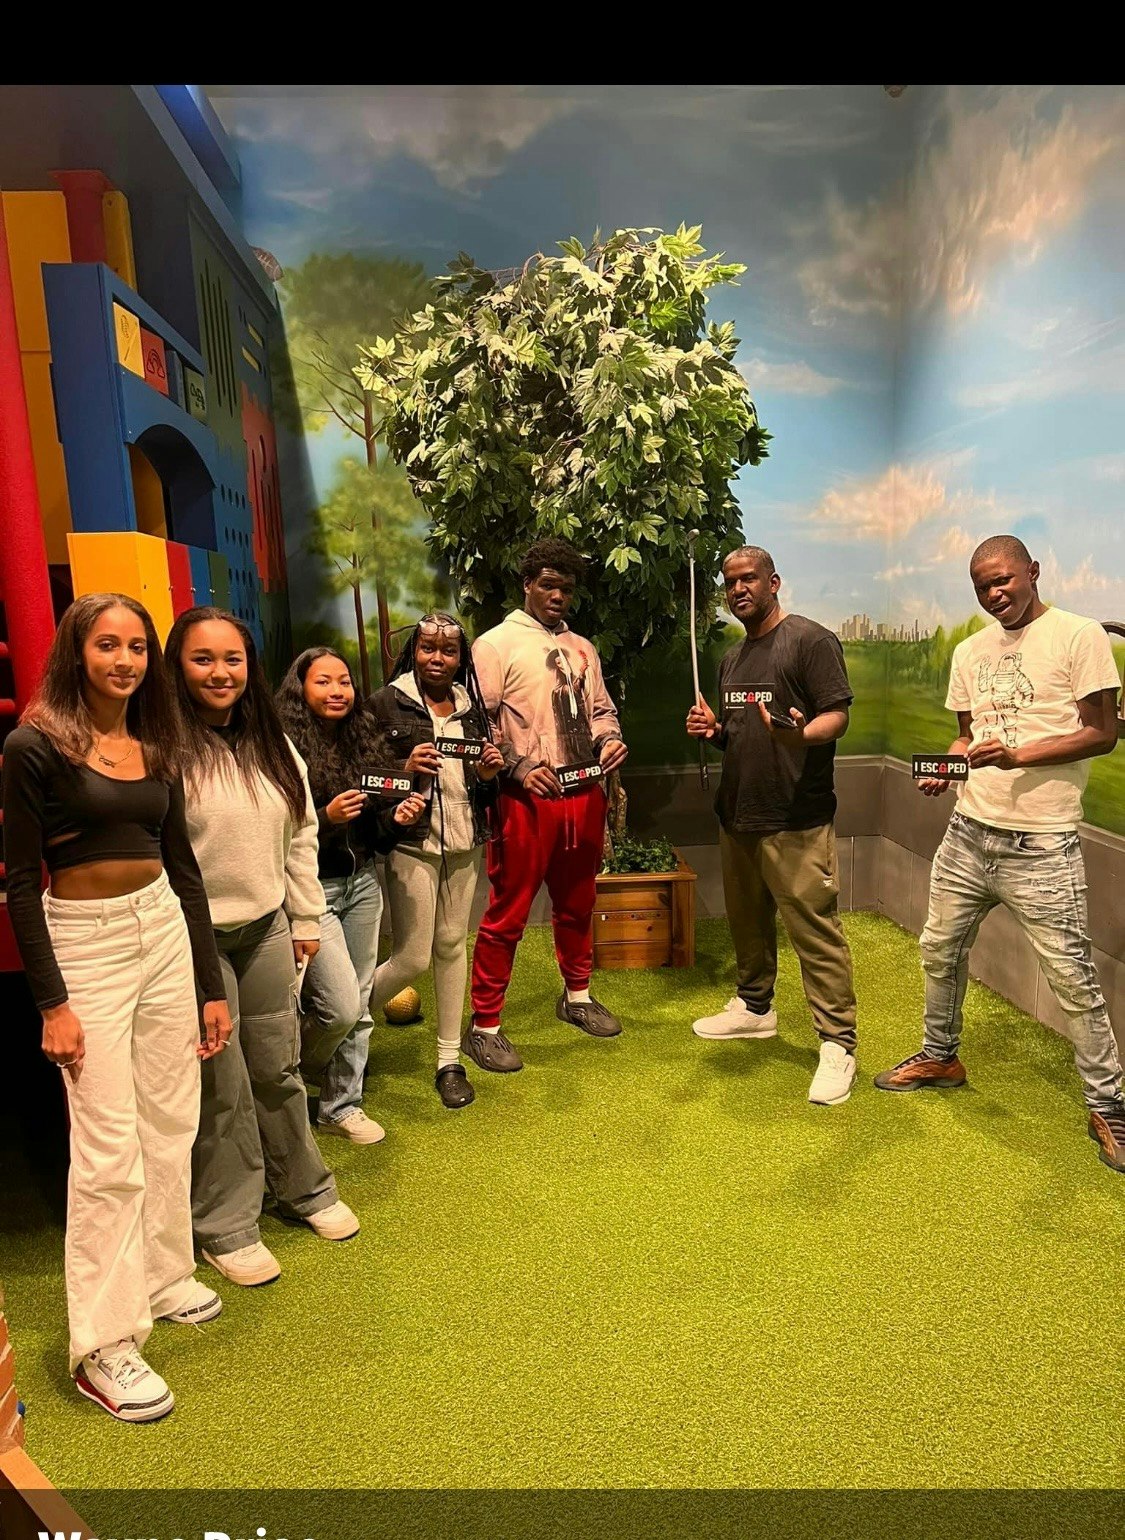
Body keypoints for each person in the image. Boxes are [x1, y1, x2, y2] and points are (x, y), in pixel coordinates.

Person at [1, 594, 232, 1423]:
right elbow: (22, 884)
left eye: (137, 647)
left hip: (163, 929)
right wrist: (52, 1002)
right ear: (77, 651)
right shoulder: (33, 746)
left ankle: (165, 1275)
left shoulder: (157, 743)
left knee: (172, 1120)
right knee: (107, 1149)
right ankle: (103, 1344)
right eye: (108, 645)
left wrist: (210, 984)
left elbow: (186, 871)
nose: (125, 661)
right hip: (85, 945)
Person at [875, 536, 1125, 1172]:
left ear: (1034, 572)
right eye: (983, 587)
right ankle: (940, 1055)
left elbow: (1101, 733)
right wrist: (950, 767)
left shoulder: (1078, 637)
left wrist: (1017, 757)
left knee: (1072, 977)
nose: (995, 595)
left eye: (1005, 581)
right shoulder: (969, 650)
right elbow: (967, 736)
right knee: (938, 948)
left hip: (1042, 841)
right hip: (968, 830)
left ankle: (1110, 1103)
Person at [166, 607, 359, 1289]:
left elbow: (301, 834)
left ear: (249, 667)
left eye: (233, 659)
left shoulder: (273, 743)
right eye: (202, 659)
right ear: (178, 666)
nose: (220, 673)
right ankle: (225, 1223)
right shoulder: (162, 745)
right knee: (222, 1083)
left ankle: (302, 1187)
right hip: (192, 937)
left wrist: (306, 918)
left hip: (267, 926)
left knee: (277, 1067)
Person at [687, 545, 858, 1106]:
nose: (739, 590)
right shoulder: (733, 659)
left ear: (774, 581)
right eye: (730, 582)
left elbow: (837, 715)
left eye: (749, 579)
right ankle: (755, 1008)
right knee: (748, 925)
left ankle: (838, 1044)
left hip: (795, 817)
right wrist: (714, 731)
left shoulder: (809, 641)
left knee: (815, 931)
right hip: (738, 815)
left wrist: (800, 735)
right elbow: (741, 733)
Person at [467, 539, 629, 1072]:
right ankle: (484, 1025)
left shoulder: (583, 647)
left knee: (578, 902)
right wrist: (515, 766)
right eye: (548, 585)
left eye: (566, 588)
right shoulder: (494, 644)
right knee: (507, 913)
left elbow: (601, 709)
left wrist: (608, 741)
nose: (557, 595)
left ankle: (576, 996)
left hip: (585, 794)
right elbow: (477, 723)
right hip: (526, 800)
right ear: (528, 584)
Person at [276, 647, 426, 1138]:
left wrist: (396, 819)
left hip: (363, 883)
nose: (337, 691)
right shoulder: (281, 748)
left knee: (358, 1004)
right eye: (323, 682)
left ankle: (341, 1105)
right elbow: (276, 831)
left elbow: (378, 835)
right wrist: (324, 817)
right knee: (339, 1005)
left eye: (344, 681)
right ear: (301, 689)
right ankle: (292, 1070)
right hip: (309, 891)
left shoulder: (365, 739)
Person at [366, 615, 504, 1108]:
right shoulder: (386, 704)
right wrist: (403, 772)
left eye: (447, 651)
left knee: (451, 945)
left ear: (460, 657)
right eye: (428, 649)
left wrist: (488, 774)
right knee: (412, 956)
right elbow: (369, 780)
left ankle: (449, 1060)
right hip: (412, 844)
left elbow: (483, 787)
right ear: (413, 651)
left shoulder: (472, 709)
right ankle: (340, 1030)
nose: (437, 659)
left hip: (465, 840)